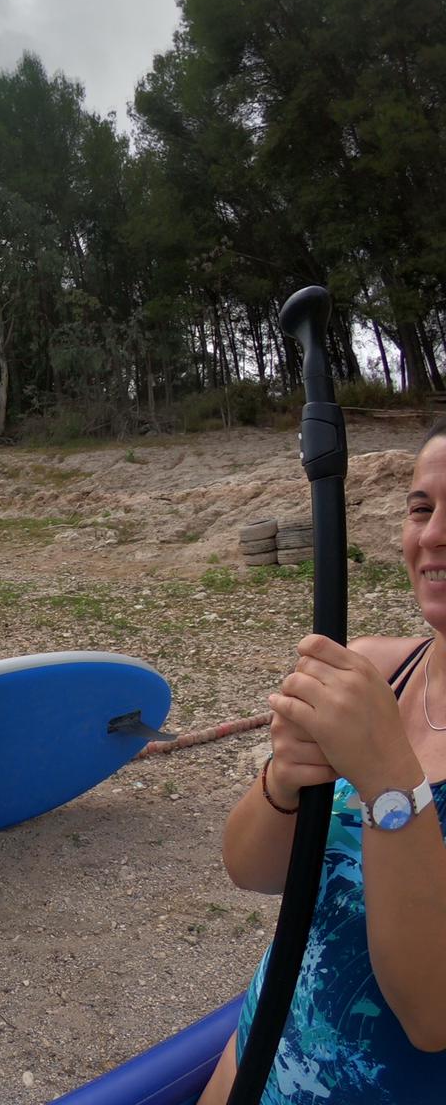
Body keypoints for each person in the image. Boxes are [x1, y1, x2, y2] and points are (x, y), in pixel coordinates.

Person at [197, 423, 446, 1104]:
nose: (431, 536)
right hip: (257, 1054)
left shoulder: (369, 720)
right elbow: (250, 869)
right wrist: (282, 778)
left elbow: (432, 1016)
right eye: (421, 508)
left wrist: (387, 779)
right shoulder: (374, 674)